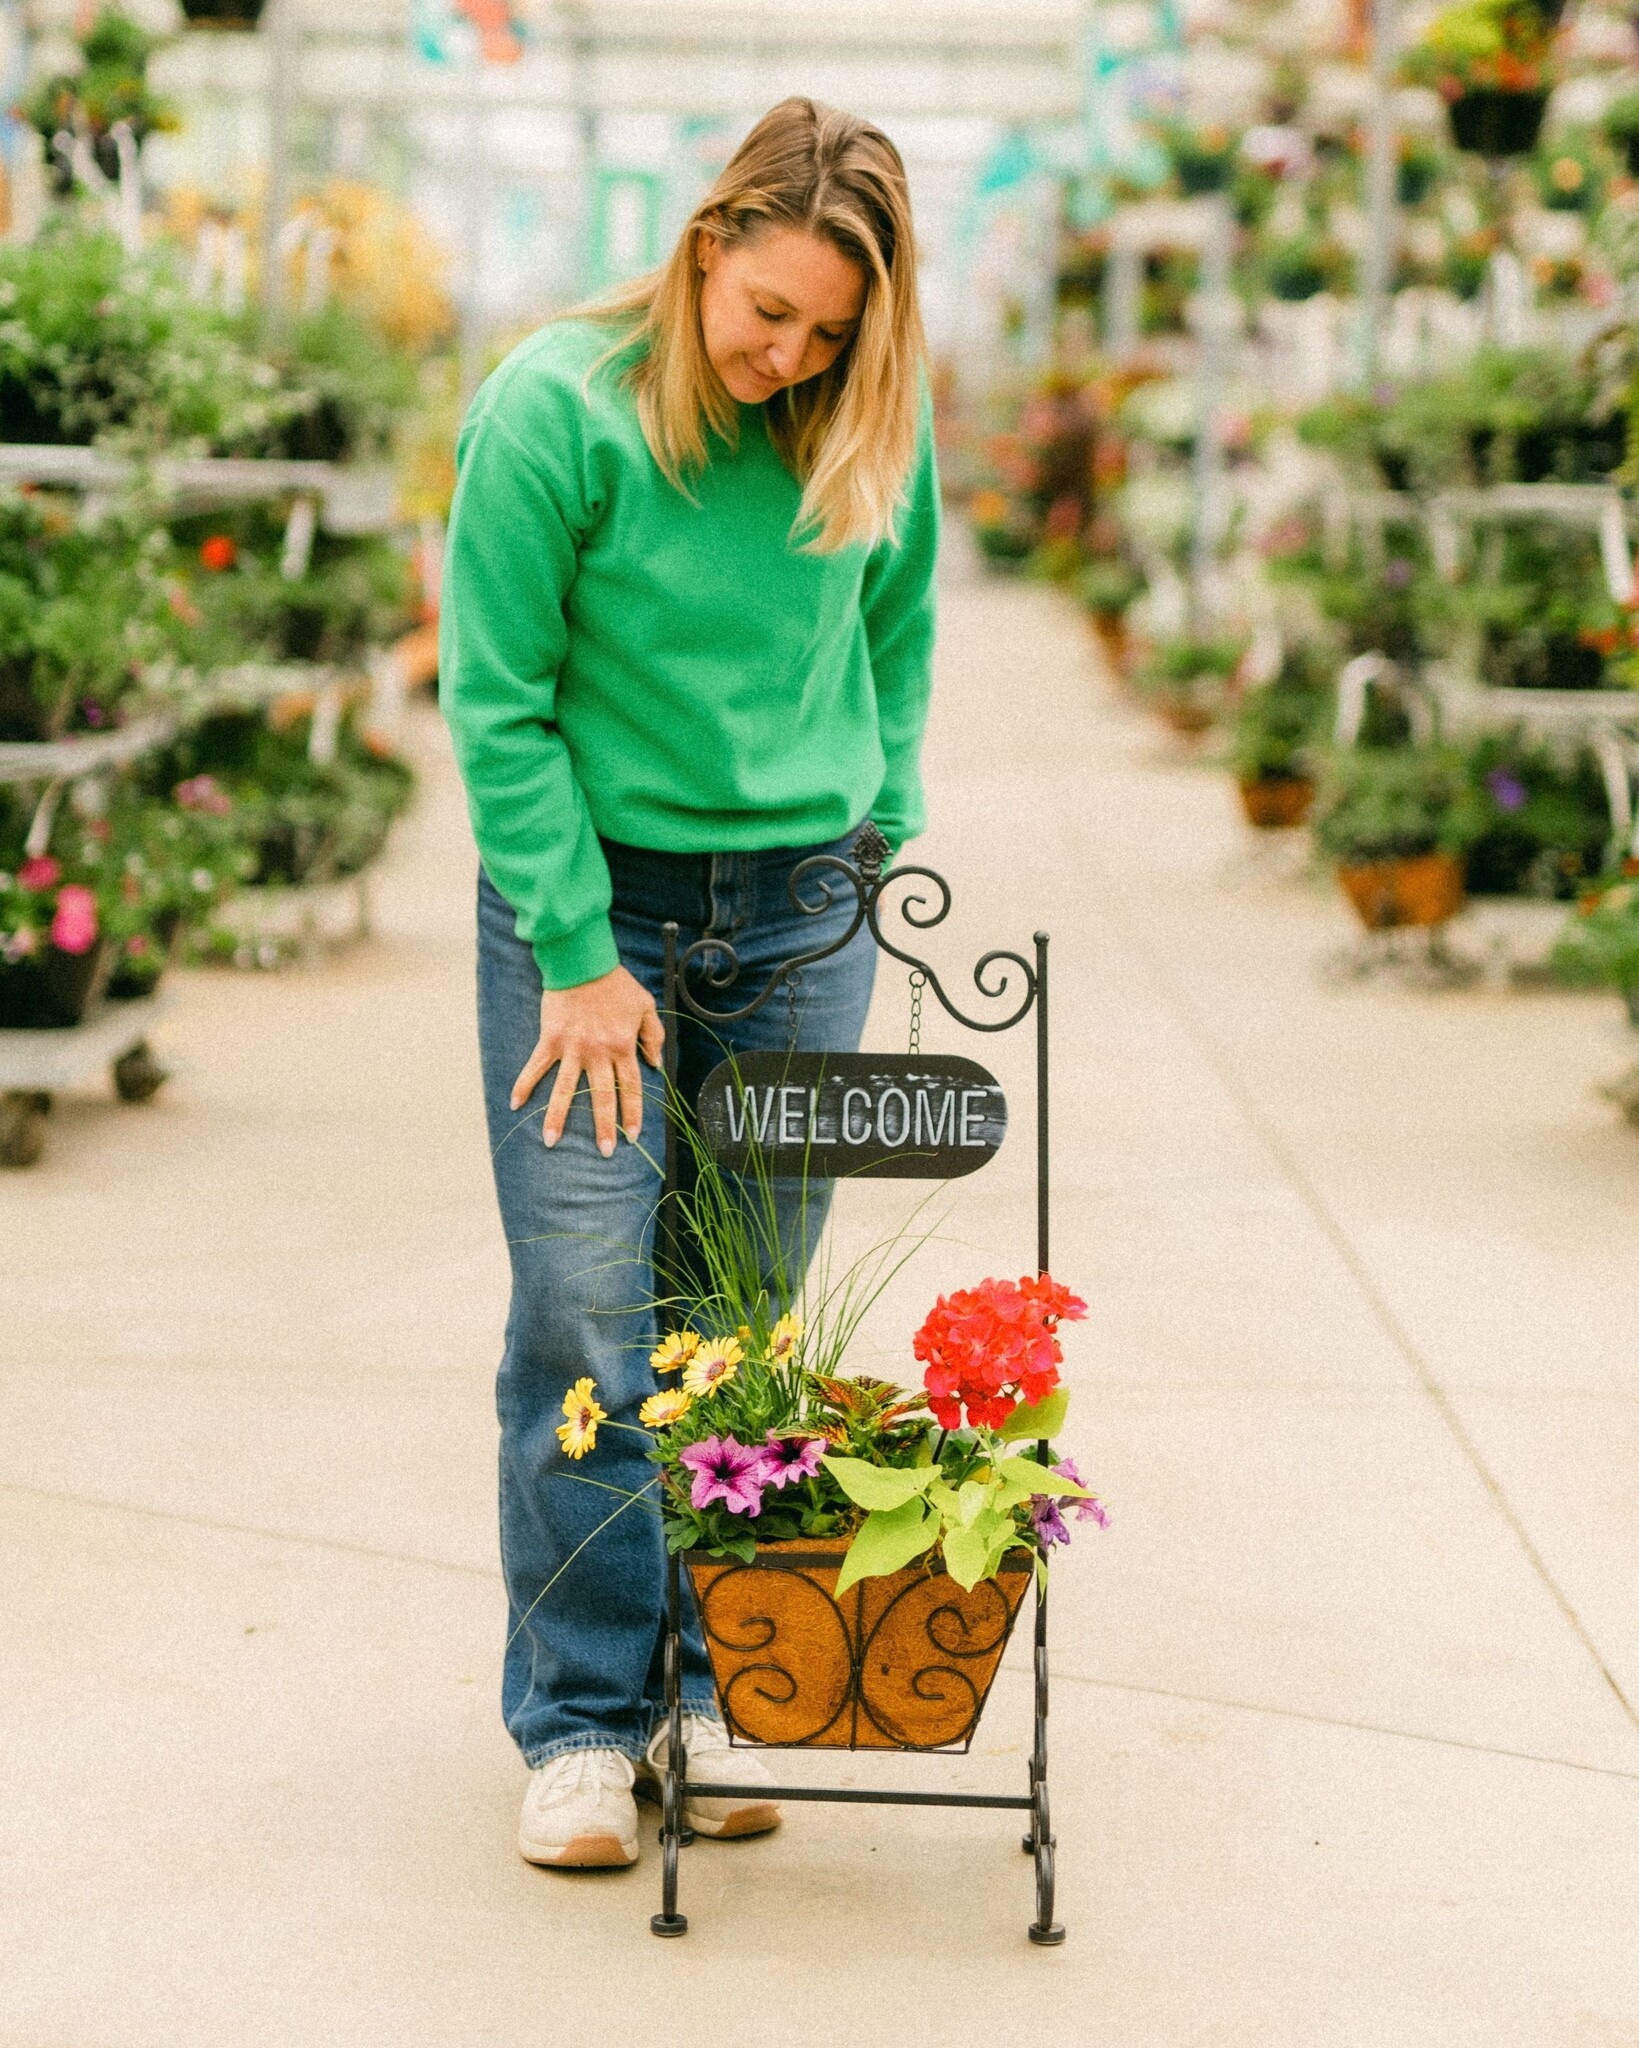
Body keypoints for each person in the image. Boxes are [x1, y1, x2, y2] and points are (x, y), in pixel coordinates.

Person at [440, 96, 939, 1871]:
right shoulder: (551, 409)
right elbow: (495, 699)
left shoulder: (863, 417)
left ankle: (725, 1680)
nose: (787, 354)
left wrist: (883, 835)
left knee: (742, 1328)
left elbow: (902, 626)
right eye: (767, 313)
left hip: (805, 916)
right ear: (706, 241)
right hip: (599, 917)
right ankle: (583, 1721)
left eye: (826, 332)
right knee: (589, 1321)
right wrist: (576, 954)